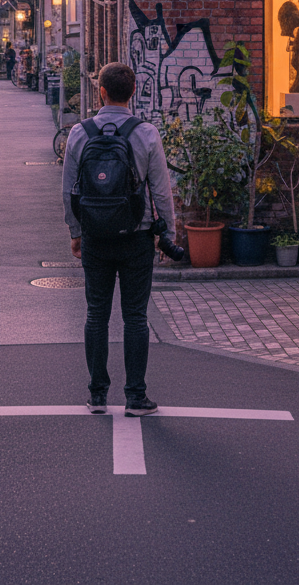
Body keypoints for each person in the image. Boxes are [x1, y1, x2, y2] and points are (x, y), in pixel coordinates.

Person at [62, 62, 177, 417]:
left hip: (95, 237)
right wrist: (167, 235)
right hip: (137, 237)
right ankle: (136, 397)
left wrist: (76, 233)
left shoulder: (79, 133)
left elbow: (68, 191)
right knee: (136, 317)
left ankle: (97, 395)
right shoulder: (146, 134)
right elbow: (161, 191)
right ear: (133, 92)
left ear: (101, 92)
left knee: (96, 315)